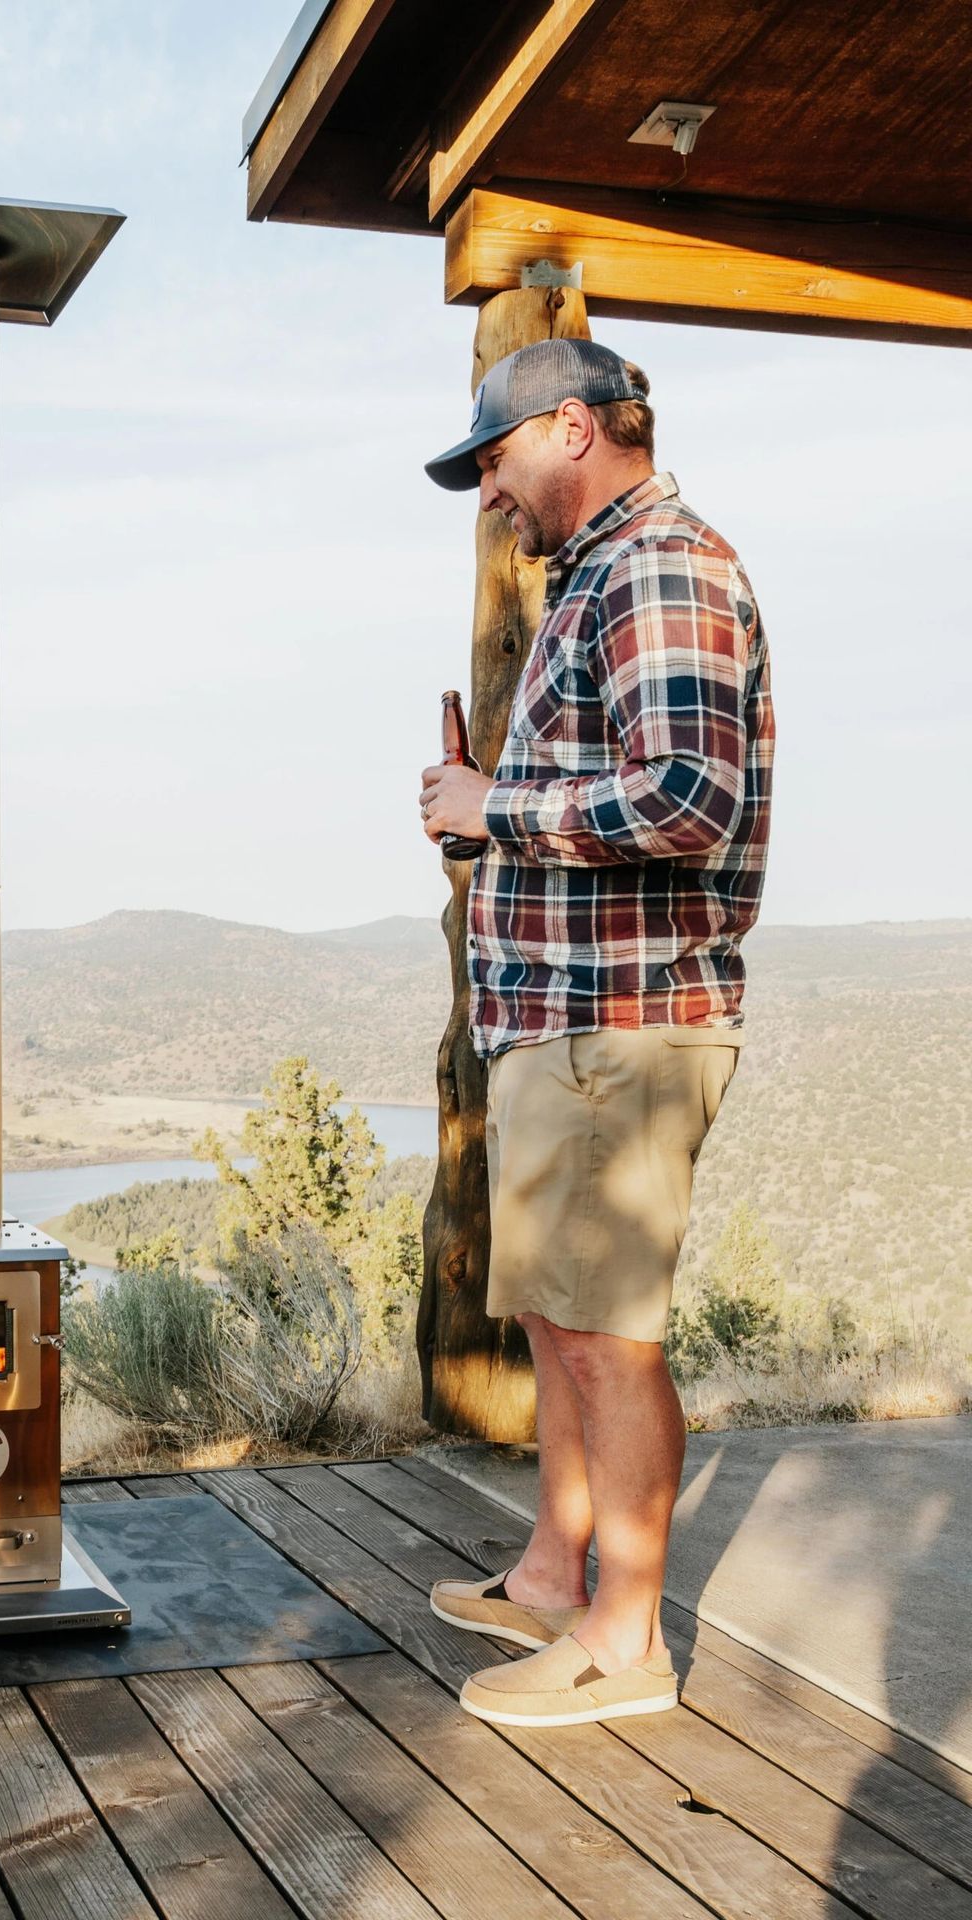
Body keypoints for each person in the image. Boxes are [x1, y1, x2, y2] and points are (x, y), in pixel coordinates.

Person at [416, 338, 773, 1728]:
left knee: (609, 1338)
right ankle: (559, 1578)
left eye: (493, 462)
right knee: (565, 1326)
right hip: (564, 1023)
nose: (489, 496)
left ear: (570, 427)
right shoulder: (598, 578)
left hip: (622, 1027)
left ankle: (628, 1649)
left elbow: (688, 799)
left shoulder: (661, 567)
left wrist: (489, 810)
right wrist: (486, 792)